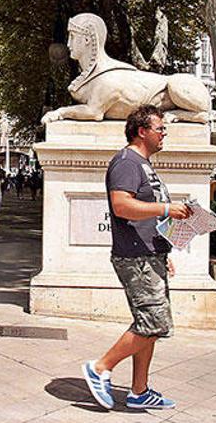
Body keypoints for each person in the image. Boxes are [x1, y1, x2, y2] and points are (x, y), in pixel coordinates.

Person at [81, 105, 192, 411]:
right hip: (135, 257)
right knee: (154, 322)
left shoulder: (143, 165)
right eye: (160, 128)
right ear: (142, 131)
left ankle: (139, 391)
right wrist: (167, 209)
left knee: (148, 324)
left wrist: (164, 248)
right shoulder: (127, 162)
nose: (164, 133)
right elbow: (121, 206)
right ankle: (100, 367)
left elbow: (145, 212)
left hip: (150, 254)